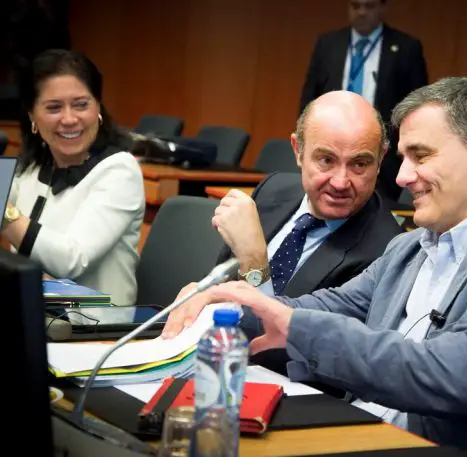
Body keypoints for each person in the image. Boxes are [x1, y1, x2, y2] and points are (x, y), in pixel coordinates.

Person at [193, 77, 467, 457]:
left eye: (420, 156)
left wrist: (294, 325)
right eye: (402, 159)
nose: (401, 177)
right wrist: (224, 301)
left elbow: (452, 376)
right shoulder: (409, 248)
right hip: (363, 432)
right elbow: (320, 308)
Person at [162, 90, 403, 372]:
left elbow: (283, 356)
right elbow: (222, 295)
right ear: (298, 151)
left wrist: (255, 264)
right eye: (326, 160)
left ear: (381, 158)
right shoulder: (273, 189)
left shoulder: (385, 248)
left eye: (359, 164)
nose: (340, 182)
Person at [1, 49, 145, 306]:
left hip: (97, 328)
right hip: (33, 314)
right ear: (32, 116)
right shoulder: (30, 167)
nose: (69, 119)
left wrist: (7, 214)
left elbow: (72, 260)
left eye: (81, 105)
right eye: (54, 108)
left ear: (98, 108)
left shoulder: (119, 170)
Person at [300, 0, 428, 203]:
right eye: (355, 6)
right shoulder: (329, 43)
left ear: (382, 8)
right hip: (331, 146)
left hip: (383, 156)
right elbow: (309, 98)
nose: (361, 12)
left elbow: (417, 106)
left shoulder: (406, 47)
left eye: (369, 6)